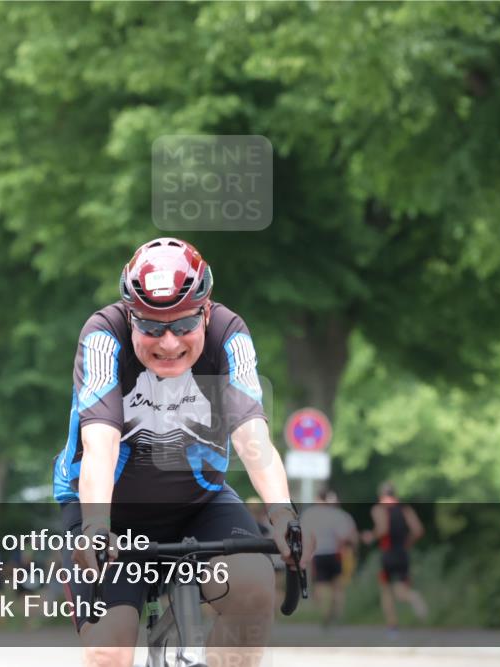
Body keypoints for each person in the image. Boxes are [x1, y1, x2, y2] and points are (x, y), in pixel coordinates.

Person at [51, 238, 316, 667]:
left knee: (252, 587)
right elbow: (99, 446)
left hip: (200, 504)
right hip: (110, 513)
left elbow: (252, 437)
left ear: (207, 312)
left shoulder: (230, 335)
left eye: (184, 325)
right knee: (109, 651)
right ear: (130, 318)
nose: (169, 343)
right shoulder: (103, 337)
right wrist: (97, 524)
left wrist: (283, 514)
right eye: (152, 328)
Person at [361, 482, 428, 638]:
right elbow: (418, 530)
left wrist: (370, 536)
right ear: (395, 494)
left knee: (386, 591)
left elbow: (383, 528)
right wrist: (407, 543)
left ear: (381, 495)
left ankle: (392, 627)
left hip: (388, 554)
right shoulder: (405, 509)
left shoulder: (379, 508)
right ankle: (412, 596)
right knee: (400, 590)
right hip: (403, 553)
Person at [300, 488, 357, 628]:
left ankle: (325, 615)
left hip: (318, 554)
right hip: (335, 554)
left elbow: (303, 535)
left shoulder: (309, 514)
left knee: (321, 587)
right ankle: (337, 616)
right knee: (338, 588)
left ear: (317, 498)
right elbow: (344, 537)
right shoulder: (338, 515)